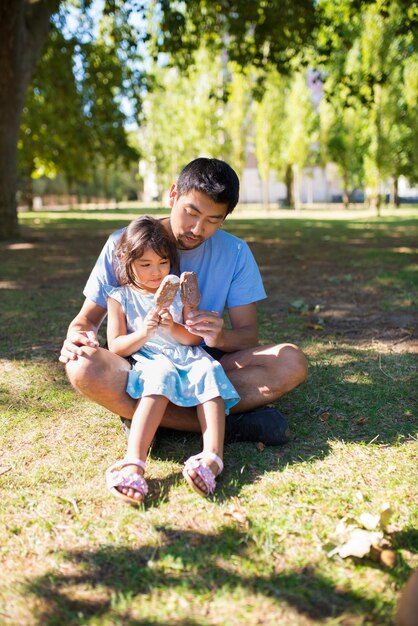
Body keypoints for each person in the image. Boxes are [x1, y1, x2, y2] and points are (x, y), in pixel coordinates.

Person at [60, 157, 308, 445]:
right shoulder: (124, 244)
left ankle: (151, 420)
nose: (197, 229)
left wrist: (219, 336)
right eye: (191, 213)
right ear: (173, 194)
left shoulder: (237, 253)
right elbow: (86, 319)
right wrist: (79, 336)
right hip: (141, 365)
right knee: (81, 366)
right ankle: (229, 427)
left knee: (291, 361)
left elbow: (247, 335)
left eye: (213, 220)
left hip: (203, 363)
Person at [105, 215, 239, 503]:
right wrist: (145, 331)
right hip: (151, 359)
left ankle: (213, 458)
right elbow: (116, 346)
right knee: (161, 375)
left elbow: (193, 339)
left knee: (208, 369)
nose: (156, 272)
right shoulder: (120, 297)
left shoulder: (179, 293)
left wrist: (172, 326)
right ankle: (134, 463)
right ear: (127, 262)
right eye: (146, 265)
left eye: (163, 263)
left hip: (187, 354)